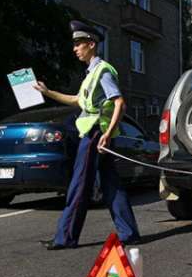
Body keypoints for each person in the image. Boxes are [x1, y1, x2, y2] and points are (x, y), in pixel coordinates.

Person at [34, 20, 141, 250]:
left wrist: (107, 133)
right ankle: (129, 233)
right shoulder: (90, 73)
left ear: (91, 44)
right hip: (96, 133)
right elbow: (77, 100)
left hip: (94, 133)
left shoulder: (102, 71)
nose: (75, 49)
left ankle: (66, 237)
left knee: (79, 184)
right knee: (112, 184)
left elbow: (119, 103)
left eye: (78, 44)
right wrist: (47, 91)